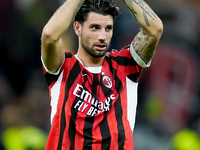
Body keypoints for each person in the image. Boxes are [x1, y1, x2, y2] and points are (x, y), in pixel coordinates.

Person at [41, 0, 163, 149]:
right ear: (77, 28)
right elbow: (49, 35)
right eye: (95, 28)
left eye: (108, 29)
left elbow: (155, 29)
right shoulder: (63, 66)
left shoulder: (125, 65)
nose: (102, 36)